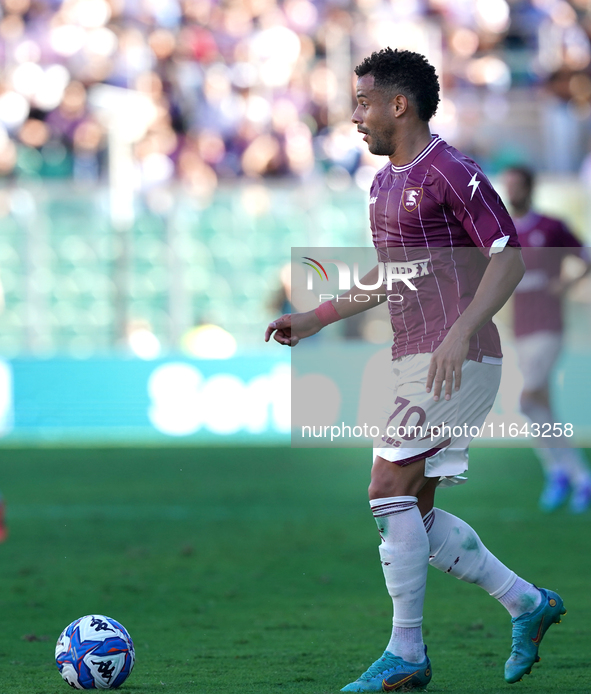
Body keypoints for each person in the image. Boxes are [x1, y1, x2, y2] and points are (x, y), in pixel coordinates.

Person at [265, 48, 566, 692]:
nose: (355, 116)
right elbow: (394, 276)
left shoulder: (452, 171)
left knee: (385, 488)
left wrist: (459, 333)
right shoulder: (382, 184)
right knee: (415, 514)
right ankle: (527, 604)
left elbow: (506, 258)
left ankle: (407, 654)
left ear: (399, 105)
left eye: (364, 102)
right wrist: (318, 315)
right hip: (413, 359)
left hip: (456, 357)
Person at [503, 166, 591, 513]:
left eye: (516, 185)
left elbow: (584, 257)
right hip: (521, 327)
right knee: (541, 406)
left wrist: (566, 285)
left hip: (549, 327)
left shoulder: (550, 227)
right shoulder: (503, 231)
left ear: (529, 188)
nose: (511, 191)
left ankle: (567, 473)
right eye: (507, 185)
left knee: (527, 399)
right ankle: (569, 477)